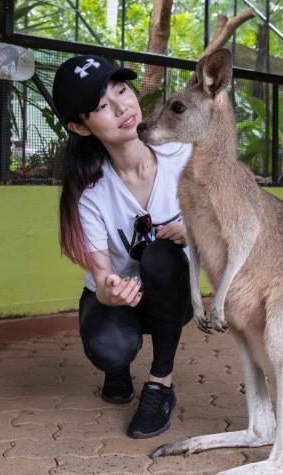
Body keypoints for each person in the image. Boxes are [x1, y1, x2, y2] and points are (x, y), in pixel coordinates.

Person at [53, 55, 193, 438]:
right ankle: (117, 369)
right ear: (79, 127)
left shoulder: (184, 158)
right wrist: (109, 289)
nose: (121, 107)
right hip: (120, 299)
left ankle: (160, 383)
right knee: (110, 348)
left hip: (170, 294)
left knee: (161, 255)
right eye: (101, 106)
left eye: (121, 90)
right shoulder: (90, 194)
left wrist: (196, 229)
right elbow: (101, 276)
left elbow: (227, 220)